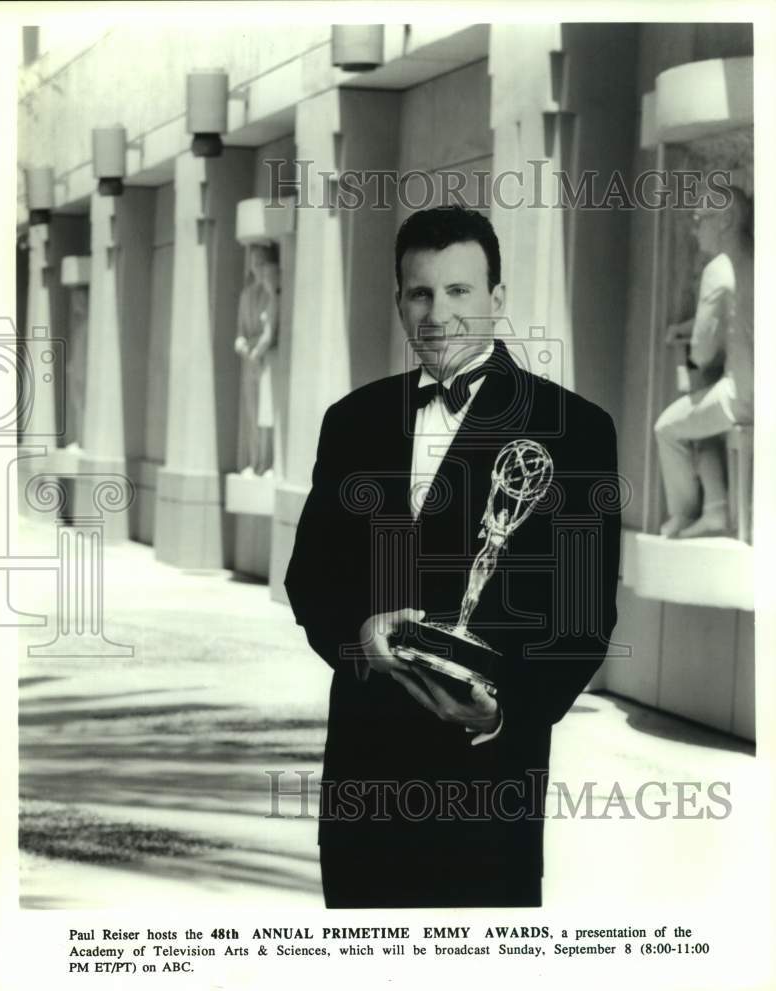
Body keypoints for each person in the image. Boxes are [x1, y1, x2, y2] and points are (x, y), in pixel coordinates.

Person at [284, 206, 621, 908]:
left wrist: (503, 711)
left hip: (487, 794)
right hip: (364, 789)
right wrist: (360, 636)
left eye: (460, 291)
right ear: (399, 301)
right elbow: (311, 577)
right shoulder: (352, 421)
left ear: (497, 299)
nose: (439, 313)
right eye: (421, 293)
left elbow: (583, 618)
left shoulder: (577, 431)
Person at [655, 187, 754, 539]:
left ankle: (684, 514)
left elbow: (700, 352)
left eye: (700, 219)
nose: (695, 230)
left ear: (725, 219)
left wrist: (686, 335)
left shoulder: (719, 268)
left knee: (667, 427)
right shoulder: (754, 260)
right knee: (702, 404)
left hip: (745, 397)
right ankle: (716, 507)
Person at [234, 241, 280, 476]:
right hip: (249, 361)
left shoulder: (272, 293)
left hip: (265, 360)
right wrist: (242, 345)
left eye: (262, 263)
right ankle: (253, 461)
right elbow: (240, 332)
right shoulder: (246, 295)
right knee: (252, 414)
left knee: (267, 414)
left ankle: (267, 461)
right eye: (254, 263)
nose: (258, 268)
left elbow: (270, 333)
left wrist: (255, 351)